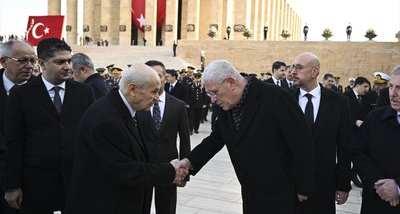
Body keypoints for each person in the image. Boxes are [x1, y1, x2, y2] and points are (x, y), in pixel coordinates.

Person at [177, 60, 315, 214]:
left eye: (214, 92)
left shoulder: (276, 98)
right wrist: (188, 162)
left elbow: (302, 145)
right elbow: (214, 141)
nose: (213, 100)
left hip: (283, 194)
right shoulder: (226, 105)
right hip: (251, 195)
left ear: (231, 83)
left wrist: (304, 186)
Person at [64, 63, 187, 214]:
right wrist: (170, 170)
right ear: (133, 89)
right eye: (154, 91)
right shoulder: (105, 119)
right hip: (105, 205)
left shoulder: (131, 110)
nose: (157, 97)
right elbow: (125, 170)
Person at [3, 38, 95, 214]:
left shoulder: (84, 92)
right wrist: (12, 186)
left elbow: (92, 136)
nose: (67, 66)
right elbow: (13, 143)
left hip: (75, 181)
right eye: (60, 62)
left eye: (69, 60)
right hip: (36, 183)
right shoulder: (21, 94)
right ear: (42, 64)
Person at [291, 52, 352, 214]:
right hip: (290, 186)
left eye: (299, 67)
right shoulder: (286, 100)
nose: (293, 71)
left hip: (324, 187)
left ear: (314, 71)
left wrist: (343, 185)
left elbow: (345, 147)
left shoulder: (339, 103)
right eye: (293, 67)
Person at [136, 60, 191, 214]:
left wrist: (184, 174)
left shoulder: (178, 105)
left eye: (158, 76)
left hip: (169, 168)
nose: (155, 80)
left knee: (166, 209)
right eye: (149, 76)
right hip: (143, 168)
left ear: (166, 78)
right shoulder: (137, 105)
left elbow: (185, 140)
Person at [352, 65, 400, 214]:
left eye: (399, 88)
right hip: (375, 201)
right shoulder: (374, 118)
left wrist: (397, 186)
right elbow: (358, 152)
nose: (392, 93)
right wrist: (379, 184)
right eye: (391, 86)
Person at [0, 39, 36, 214]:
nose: (29, 66)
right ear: (3, 61)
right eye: (22, 61)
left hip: (31, 182)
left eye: (33, 61)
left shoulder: (42, 90)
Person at [344, 76, 373, 188]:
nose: (366, 89)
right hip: (348, 132)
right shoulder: (345, 96)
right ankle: (346, 176)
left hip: (361, 133)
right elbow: (343, 114)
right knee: (346, 156)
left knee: (359, 155)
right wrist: (354, 121)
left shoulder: (365, 98)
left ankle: (354, 174)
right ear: (357, 85)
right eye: (365, 86)